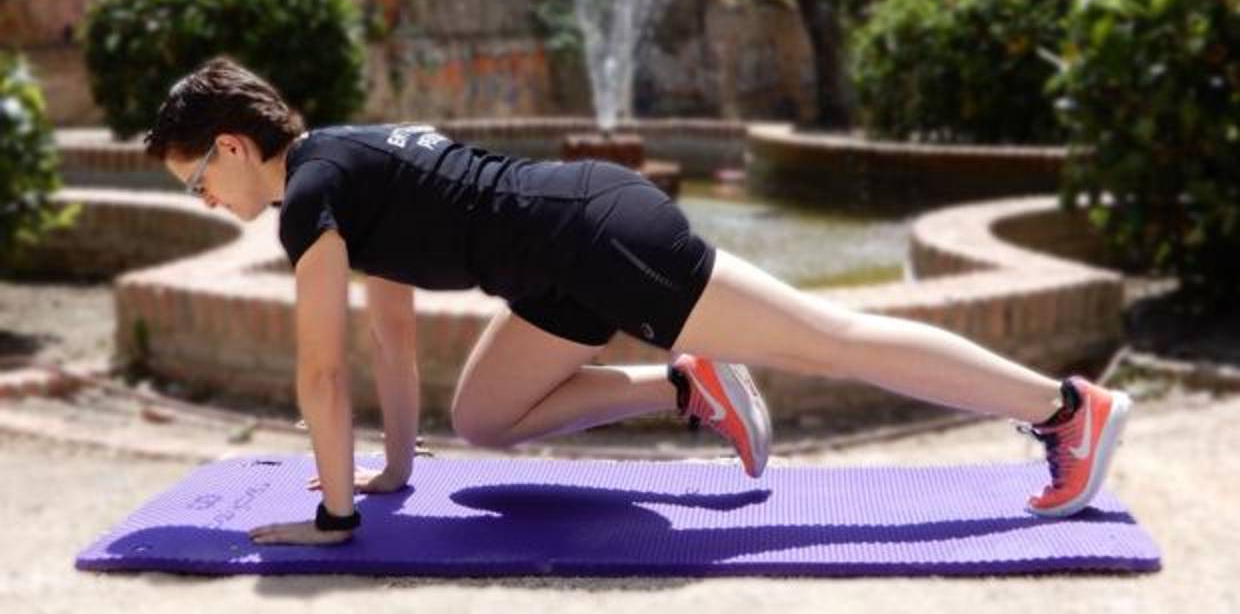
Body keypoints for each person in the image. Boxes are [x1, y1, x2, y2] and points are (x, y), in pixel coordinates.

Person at [145, 57, 1131, 546]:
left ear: (233, 145)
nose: (206, 199)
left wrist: (332, 517)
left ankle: (1063, 410)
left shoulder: (310, 198)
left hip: (597, 237)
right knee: (484, 417)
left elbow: (320, 372)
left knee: (830, 338)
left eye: (197, 180)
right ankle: (688, 386)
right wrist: (393, 473)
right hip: (557, 260)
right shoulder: (339, 160)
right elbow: (387, 338)